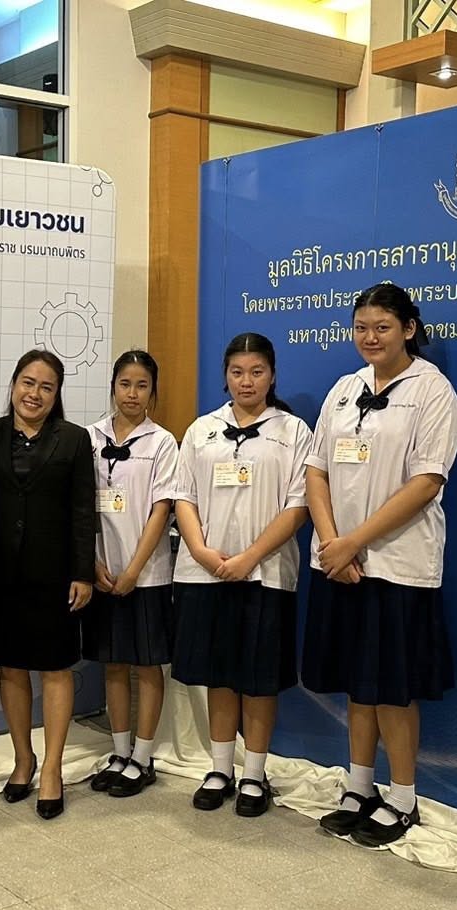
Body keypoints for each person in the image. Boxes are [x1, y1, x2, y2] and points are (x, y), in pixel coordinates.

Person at [304, 282, 457, 848]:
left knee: (393, 689)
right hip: (339, 562)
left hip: (398, 565)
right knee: (357, 682)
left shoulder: (433, 391)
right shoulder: (344, 389)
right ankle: (358, 786)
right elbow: (316, 469)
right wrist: (332, 542)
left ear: (409, 329)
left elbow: (426, 482)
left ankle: (403, 798)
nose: (370, 338)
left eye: (383, 327)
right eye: (361, 328)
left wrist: (354, 542)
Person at [171, 333, 312, 817]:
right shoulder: (202, 430)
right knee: (219, 675)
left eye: (256, 372)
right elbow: (183, 495)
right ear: (225, 376)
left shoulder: (293, 431)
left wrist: (249, 557)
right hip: (206, 572)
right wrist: (201, 551)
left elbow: (299, 505)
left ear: (272, 375)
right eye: (237, 372)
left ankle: (254, 773)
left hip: (266, 573)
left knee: (259, 678)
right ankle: (220, 768)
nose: (246, 381)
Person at [0, 350, 96, 820]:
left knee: (54, 668)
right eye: (27, 383)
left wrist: (83, 572)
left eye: (46, 387)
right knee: (11, 667)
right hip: (2, 573)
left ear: (57, 394)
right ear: (13, 384)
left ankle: (52, 768)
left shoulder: (74, 439)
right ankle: (22, 758)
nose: (34, 394)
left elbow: (83, 511)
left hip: (56, 574)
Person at [82, 350, 179, 798]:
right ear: (113, 387)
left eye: (142, 386)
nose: (132, 394)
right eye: (125, 384)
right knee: (114, 664)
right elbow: (79, 506)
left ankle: (143, 757)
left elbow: (162, 509)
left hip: (148, 574)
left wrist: (135, 569)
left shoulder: (162, 443)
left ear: (153, 392)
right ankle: (119, 752)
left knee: (147, 664)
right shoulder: (89, 437)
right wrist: (92, 564)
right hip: (101, 572)